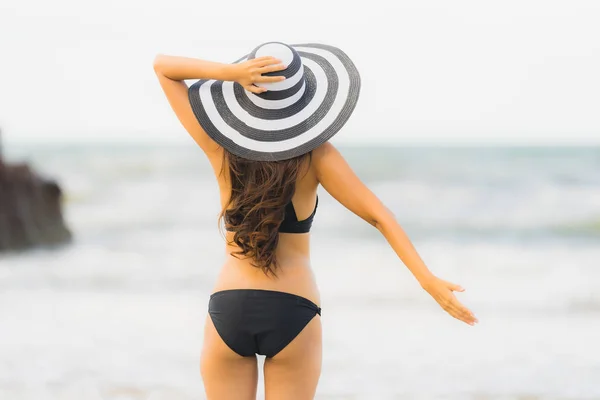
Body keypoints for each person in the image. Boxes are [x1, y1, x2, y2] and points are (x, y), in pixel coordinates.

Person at [153, 42, 477, 400]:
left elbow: (164, 68)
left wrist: (232, 74)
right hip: (292, 309)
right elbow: (379, 216)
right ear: (304, 101)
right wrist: (427, 280)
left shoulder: (220, 148)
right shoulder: (317, 156)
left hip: (229, 305)